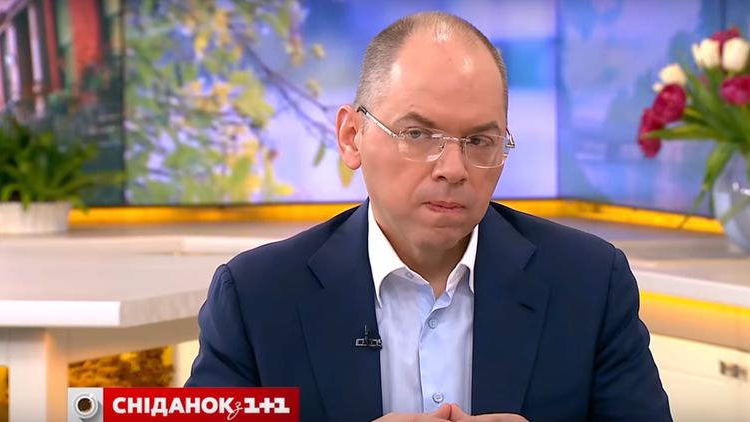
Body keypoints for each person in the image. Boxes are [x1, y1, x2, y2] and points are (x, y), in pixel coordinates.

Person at [186, 11, 672, 422]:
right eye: (418, 135)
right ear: (352, 137)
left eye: (479, 141)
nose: (453, 169)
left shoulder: (589, 283)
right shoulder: (257, 297)